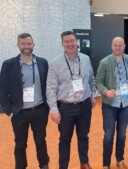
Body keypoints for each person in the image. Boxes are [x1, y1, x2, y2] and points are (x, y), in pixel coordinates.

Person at [46, 31, 97, 169]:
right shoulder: (55, 63)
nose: (70, 44)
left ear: (76, 41)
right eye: (66, 41)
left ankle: (84, 163)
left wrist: (93, 95)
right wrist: (54, 110)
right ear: (62, 44)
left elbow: (91, 79)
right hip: (65, 108)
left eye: (72, 41)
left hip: (85, 105)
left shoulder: (85, 59)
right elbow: (50, 88)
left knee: (83, 136)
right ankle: (63, 166)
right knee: (64, 139)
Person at [0, 33, 50, 169]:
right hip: (19, 113)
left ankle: (44, 165)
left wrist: (48, 107)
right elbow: (2, 89)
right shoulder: (8, 65)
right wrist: (8, 110)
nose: (26, 46)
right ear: (18, 45)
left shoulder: (42, 62)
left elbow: (48, 85)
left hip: (40, 111)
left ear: (33, 45)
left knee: (41, 141)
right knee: (20, 144)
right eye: (23, 44)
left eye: (29, 44)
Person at [95, 37, 128, 169]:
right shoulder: (104, 62)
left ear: (124, 46)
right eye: (115, 45)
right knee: (109, 134)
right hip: (110, 105)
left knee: (122, 133)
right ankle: (106, 164)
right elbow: (98, 82)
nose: (118, 47)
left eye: (120, 45)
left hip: (126, 103)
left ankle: (120, 159)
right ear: (111, 46)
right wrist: (105, 91)